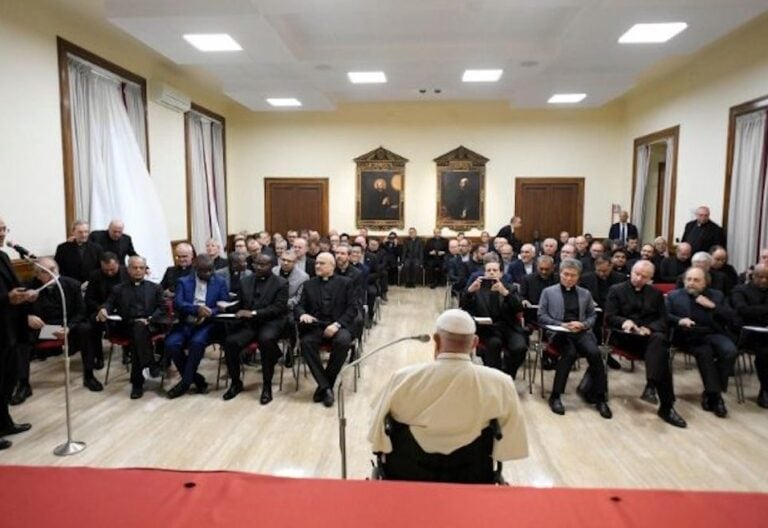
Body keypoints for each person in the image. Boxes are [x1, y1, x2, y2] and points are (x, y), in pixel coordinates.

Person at [368, 309, 528, 472]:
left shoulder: (402, 379)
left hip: (407, 474)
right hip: (472, 476)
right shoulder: (501, 383)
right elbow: (510, 443)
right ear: (474, 343)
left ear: (436, 340)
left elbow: (376, 433)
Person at [604, 261, 687, 427]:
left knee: (659, 344)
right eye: (636, 274)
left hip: (648, 339)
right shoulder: (616, 290)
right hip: (625, 337)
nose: (638, 278)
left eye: (644, 276)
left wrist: (648, 328)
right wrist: (625, 322)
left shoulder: (655, 294)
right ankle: (664, 403)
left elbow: (663, 319)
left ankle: (654, 390)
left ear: (650, 278)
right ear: (631, 272)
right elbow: (610, 316)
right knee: (661, 353)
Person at [15, 257, 102, 405]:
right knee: (21, 337)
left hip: (66, 327)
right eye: (45, 272)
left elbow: (81, 312)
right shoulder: (27, 287)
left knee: (86, 329)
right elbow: (15, 312)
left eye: (53, 270)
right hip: (42, 328)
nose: (52, 274)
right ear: (37, 275)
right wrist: (28, 317)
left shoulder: (72, 285)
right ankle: (23, 384)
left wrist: (69, 327)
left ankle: (89, 375)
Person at [538, 258, 612, 419]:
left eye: (573, 275)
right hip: (559, 333)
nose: (569, 278)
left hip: (581, 331)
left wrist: (583, 324)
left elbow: (593, 315)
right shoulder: (549, 292)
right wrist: (561, 324)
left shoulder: (585, 294)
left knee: (595, 353)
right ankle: (556, 396)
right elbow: (541, 316)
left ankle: (600, 397)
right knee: (569, 354)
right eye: (566, 274)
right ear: (560, 274)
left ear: (579, 277)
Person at [666, 267, 738, 418]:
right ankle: (715, 397)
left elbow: (732, 317)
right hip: (688, 336)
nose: (691, 283)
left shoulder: (716, 296)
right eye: (689, 279)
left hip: (713, 333)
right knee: (705, 352)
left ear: (705, 283)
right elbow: (665, 316)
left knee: (730, 351)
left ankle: (711, 391)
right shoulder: (674, 296)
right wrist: (680, 320)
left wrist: (713, 306)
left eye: (696, 280)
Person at [97, 256, 168, 399]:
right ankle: (151, 365)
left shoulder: (155, 288)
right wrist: (104, 309)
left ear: (145, 270)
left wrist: (149, 319)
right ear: (128, 269)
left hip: (150, 325)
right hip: (126, 326)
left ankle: (137, 383)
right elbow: (109, 304)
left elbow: (162, 309)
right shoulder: (118, 289)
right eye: (134, 268)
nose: (138, 271)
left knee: (138, 335)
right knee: (137, 331)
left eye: (141, 268)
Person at [222, 254, 289, 404]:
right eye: (256, 264)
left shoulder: (281, 283)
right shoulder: (245, 281)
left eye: (263, 265)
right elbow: (240, 303)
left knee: (265, 341)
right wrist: (224, 307)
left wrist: (253, 313)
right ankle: (235, 382)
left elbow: (277, 308)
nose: (259, 267)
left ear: (271, 266)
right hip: (249, 324)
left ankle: (266, 386)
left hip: (270, 322)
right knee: (230, 342)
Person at [295, 252, 358, 407]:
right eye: (316, 263)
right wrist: (303, 314)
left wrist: (336, 325)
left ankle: (325, 385)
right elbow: (299, 306)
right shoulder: (309, 284)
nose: (317, 266)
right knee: (306, 343)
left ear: (332, 266)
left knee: (343, 342)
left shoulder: (346, 283)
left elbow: (352, 309)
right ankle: (326, 387)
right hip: (316, 326)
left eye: (322, 263)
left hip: (339, 324)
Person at [164, 255, 229, 399]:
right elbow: (178, 303)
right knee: (171, 344)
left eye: (210, 271)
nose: (207, 274)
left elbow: (224, 304)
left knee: (197, 343)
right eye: (203, 271)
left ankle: (185, 383)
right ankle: (196, 379)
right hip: (186, 322)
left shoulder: (220, 282)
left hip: (208, 324)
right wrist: (195, 309)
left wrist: (211, 311)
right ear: (195, 269)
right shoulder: (183, 282)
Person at [0, 216, 36, 449]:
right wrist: (7, 298)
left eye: (4, 228)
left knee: (8, 378)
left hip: (10, 328)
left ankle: (4, 423)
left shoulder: (3, 256)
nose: (3, 233)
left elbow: (11, 288)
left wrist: (25, 294)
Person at [460, 260, 527, 378]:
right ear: (484, 273)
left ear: (501, 273)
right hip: (488, 329)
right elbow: (463, 306)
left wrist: (505, 293)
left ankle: (508, 375)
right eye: (488, 271)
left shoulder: (510, 288)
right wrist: (470, 292)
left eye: (495, 270)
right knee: (494, 344)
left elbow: (519, 308)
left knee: (520, 347)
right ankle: (494, 377)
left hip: (509, 327)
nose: (491, 273)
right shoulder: (477, 289)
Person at [730, 264, 768, 408]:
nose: (764, 281)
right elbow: (743, 310)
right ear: (753, 276)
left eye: (767, 278)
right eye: (760, 277)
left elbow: (751, 311)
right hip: (748, 334)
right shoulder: (740, 290)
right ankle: (765, 390)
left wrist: (757, 312)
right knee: (765, 353)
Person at [84, 252, 128, 370]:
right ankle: (98, 355)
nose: (109, 273)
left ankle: (127, 351)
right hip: (101, 308)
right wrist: (101, 309)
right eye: (106, 270)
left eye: (112, 269)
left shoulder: (127, 272)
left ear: (118, 264)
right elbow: (89, 298)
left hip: (123, 309)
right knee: (93, 323)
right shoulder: (95, 275)